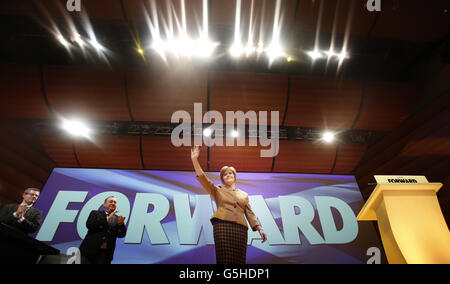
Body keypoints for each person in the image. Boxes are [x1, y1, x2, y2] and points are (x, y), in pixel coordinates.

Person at [191, 146, 267, 264]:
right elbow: (203, 179)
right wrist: (195, 160)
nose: (228, 175)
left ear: (235, 176)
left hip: (240, 228)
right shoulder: (217, 189)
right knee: (224, 259)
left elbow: (250, 213)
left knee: (239, 260)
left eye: (230, 173)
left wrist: (259, 229)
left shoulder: (244, 194)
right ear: (222, 178)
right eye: (225, 174)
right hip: (222, 225)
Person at [79, 196, 127, 264]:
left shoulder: (117, 218)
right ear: (104, 204)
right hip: (89, 253)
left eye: (115, 202)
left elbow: (121, 235)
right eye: (111, 201)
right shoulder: (95, 213)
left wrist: (120, 224)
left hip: (106, 255)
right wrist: (107, 219)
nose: (113, 203)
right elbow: (89, 225)